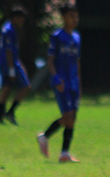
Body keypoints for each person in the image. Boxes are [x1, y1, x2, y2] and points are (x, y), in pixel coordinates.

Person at [36, 4, 80, 163]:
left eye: (76, 16)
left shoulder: (77, 38)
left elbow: (77, 62)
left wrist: (79, 84)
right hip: (62, 81)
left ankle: (64, 153)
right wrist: (55, 77)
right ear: (63, 17)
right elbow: (50, 60)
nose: (74, 19)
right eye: (71, 16)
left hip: (74, 82)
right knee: (68, 116)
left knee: (72, 117)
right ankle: (44, 136)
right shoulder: (57, 36)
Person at [0, 5, 30, 125]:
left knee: (6, 88)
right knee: (25, 86)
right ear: (15, 18)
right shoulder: (9, 30)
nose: (22, 22)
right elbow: (9, 51)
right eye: (21, 19)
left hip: (10, 62)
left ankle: (0, 117)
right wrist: (11, 68)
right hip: (9, 63)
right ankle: (10, 112)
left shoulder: (9, 28)